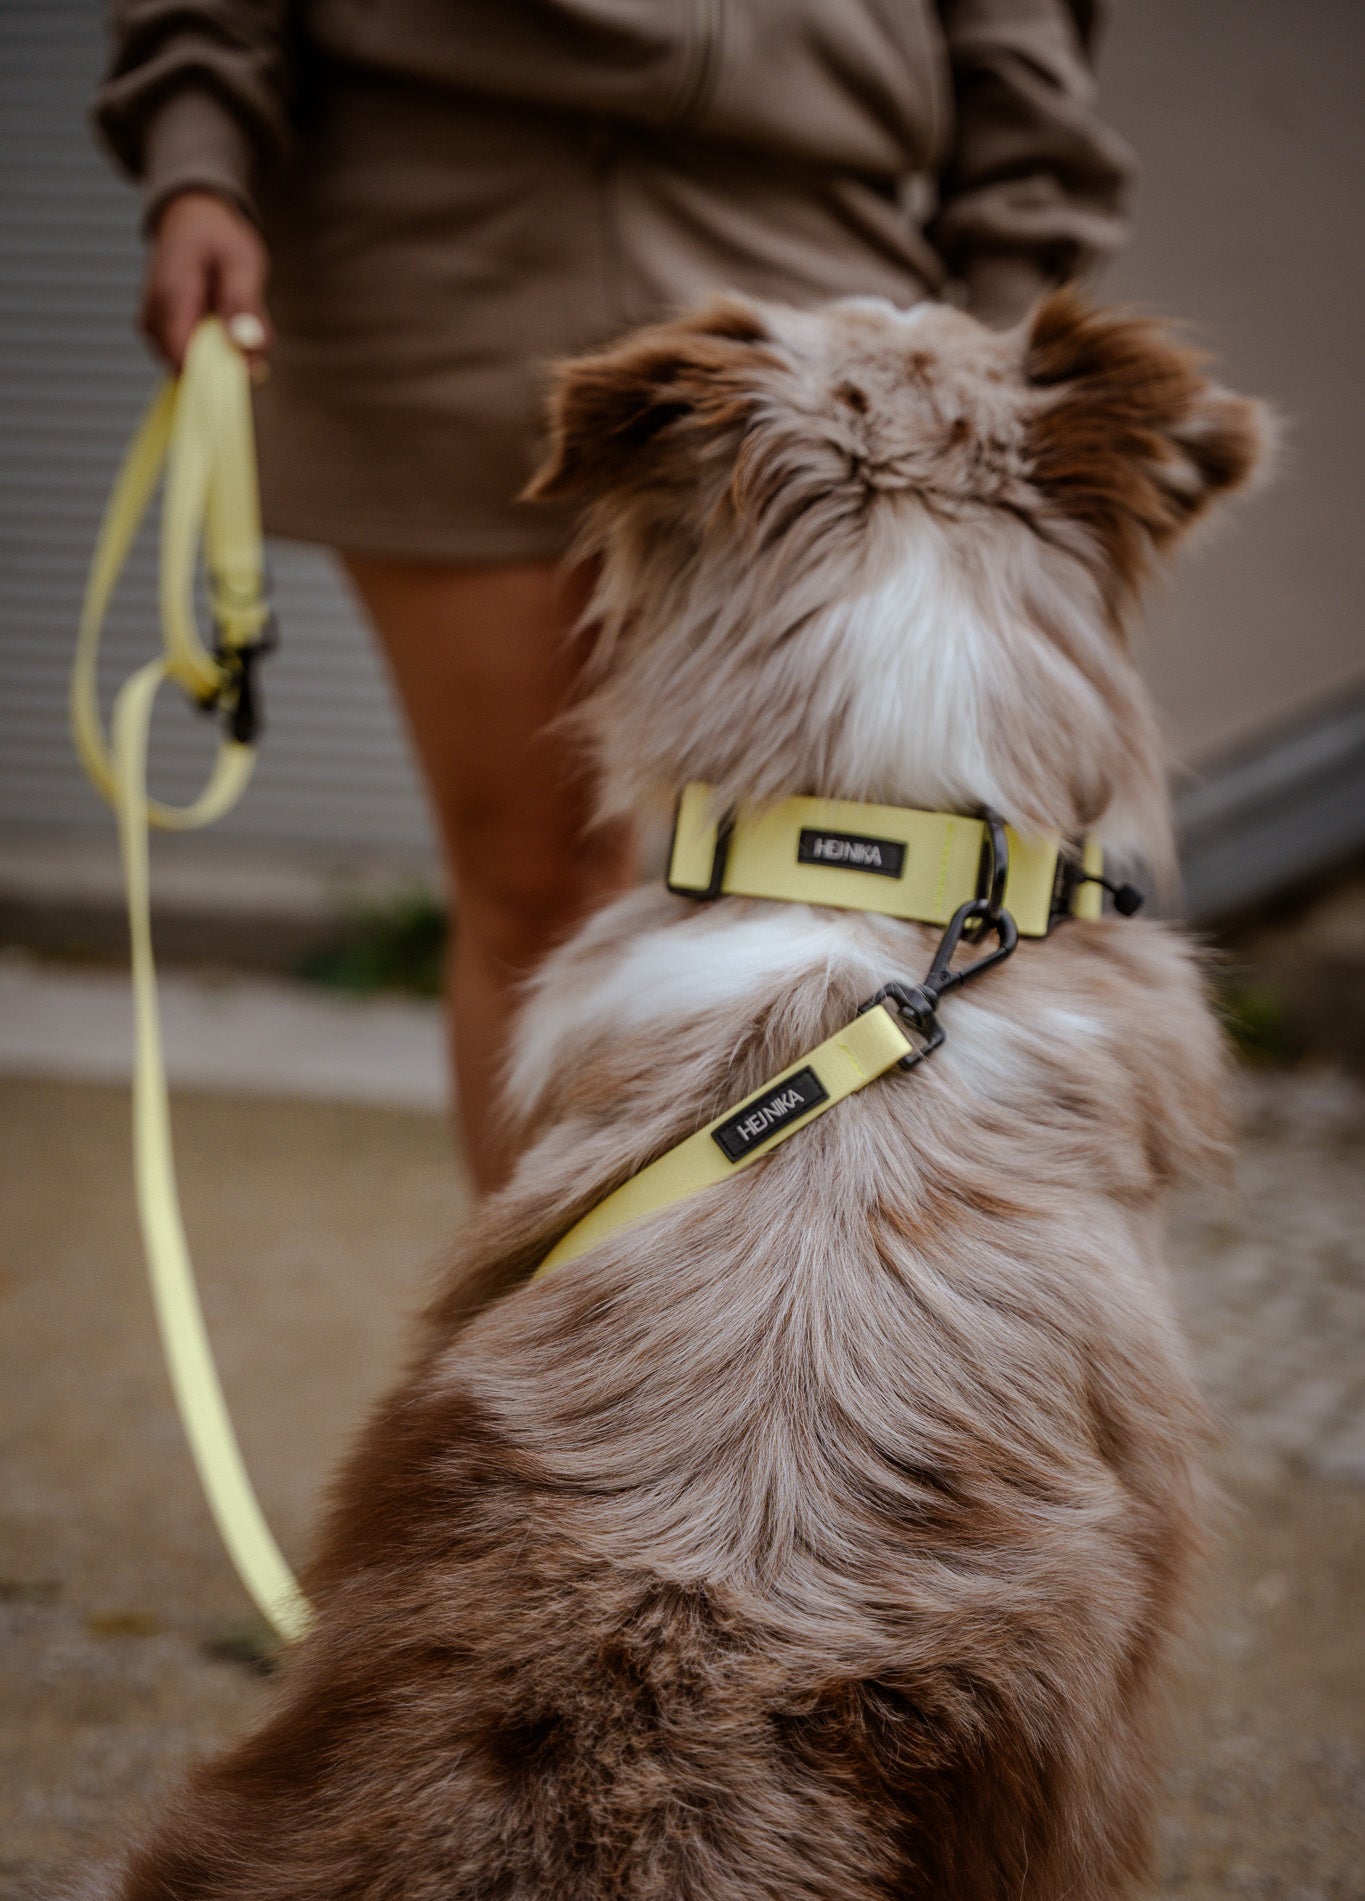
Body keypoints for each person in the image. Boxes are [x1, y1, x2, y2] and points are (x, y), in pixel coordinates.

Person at [95, 1, 1134, 1192]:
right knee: (532, 894)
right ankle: (554, 1346)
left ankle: (826, 1324)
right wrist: (197, 164)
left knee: (859, 902)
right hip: (430, 240)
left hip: (811, 257)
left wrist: (1011, 281)